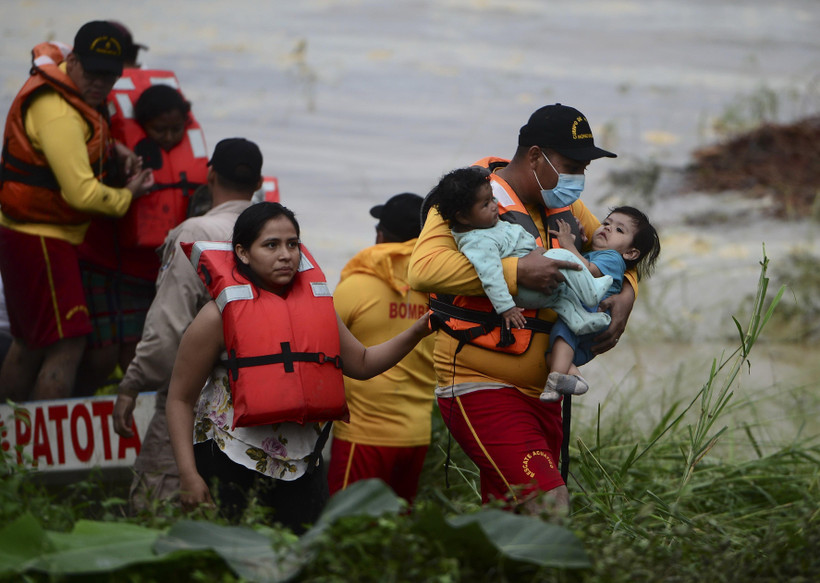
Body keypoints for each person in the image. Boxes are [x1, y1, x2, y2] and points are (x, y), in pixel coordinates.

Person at [408, 103, 637, 513]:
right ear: (535, 156)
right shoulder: (472, 197)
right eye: (571, 165)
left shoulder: (560, 206)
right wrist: (516, 272)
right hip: (481, 383)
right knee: (550, 505)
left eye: (584, 168)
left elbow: (613, 247)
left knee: (508, 522)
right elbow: (423, 269)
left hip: (542, 393)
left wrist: (628, 292)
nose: (578, 178)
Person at [166, 202, 431, 533]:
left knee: (301, 558)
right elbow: (179, 399)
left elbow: (362, 363)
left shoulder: (319, 310)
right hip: (228, 458)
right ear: (242, 253)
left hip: (303, 464)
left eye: (293, 244)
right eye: (271, 245)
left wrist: (419, 329)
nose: (286, 255)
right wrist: (188, 474)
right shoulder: (216, 317)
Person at [0, 21, 154, 402]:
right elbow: (82, 194)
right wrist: (128, 195)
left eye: (110, 76)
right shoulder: (57, 110)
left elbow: (86, 138)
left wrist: (113, 148)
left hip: (32, 233)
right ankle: (43, 450)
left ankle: (9, 446)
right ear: (72, 60)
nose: (101, 84)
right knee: (68, 344)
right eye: (93, 72)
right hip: (40, 237)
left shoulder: (74, 92)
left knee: (29, 343)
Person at [112, 137, 258, 513]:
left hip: (194, 394)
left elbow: (168, 326)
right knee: (241, 506)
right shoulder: (281, 236)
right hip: (262, 392)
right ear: (258, 183)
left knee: (156, 504)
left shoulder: (196, 233)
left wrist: (133, 384)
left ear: (209, 175)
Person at [74, 82, 209, 395]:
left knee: (134, 354)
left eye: (176, 129)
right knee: (101, 358)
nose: (169, 136)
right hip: (104, 266)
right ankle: (76, 405)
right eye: (159, 129)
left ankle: (126, 410)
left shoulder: (197, 160)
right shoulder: (117, 154)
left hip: (148, 273)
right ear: (142, 125)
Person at [327, 193, 435, 504]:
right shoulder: (440, 290)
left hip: (363, 436)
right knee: (396, 534)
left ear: (380, 235)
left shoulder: (354, 288)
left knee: (346, 529)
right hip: (417, 435)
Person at [428, 166, 614, 345]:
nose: (494, 207)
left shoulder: (485, 226)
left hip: (532, 289)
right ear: (462, 218)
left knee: (562, 298)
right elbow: (490, 276)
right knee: (561, 256)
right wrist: (506, 307)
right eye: (485, 204)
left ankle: (580, 321)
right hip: (524, 291)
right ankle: (592, 291)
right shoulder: (478, 242)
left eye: (492, 199)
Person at [540, 207, 660, 402]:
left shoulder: (613, 259)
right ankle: (573, 377)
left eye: (619, 230)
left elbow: (584, 270)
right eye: (606, 223)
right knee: (552, 353)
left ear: (630, 253)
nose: (608, 228)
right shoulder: (600, 254)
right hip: (589, 316)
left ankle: (554, 384)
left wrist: (568, 244)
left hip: (589, 314)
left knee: (564, 333)